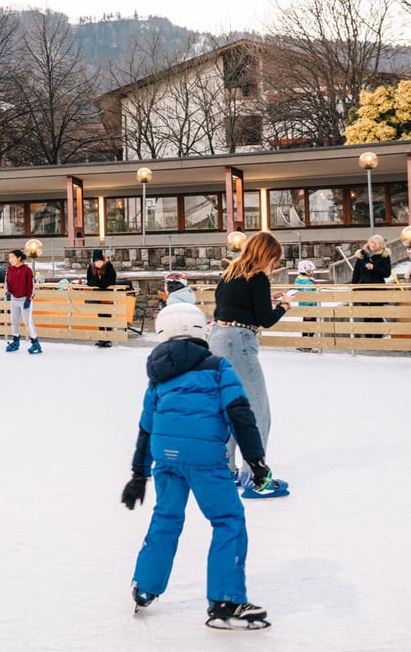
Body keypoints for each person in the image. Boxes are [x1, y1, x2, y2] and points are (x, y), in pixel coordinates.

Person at [119, 302, 272, 631]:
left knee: (166, 518)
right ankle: (225, 601)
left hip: (166, 457)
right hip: (204, 458)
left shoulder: (158, 377)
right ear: (201, 329)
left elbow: (146, 426)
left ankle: (144, 586)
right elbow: (240, 414)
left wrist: (138, 473)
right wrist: (256, 461)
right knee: (228, 519)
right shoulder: (218, 367)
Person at [210, 231, 290, 499]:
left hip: (218, 339)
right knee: (257, 411)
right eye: (274, 260)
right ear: (266, 255)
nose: (274, 266)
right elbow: (266, 320)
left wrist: (266, 299)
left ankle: (228, 469)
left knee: (230, 407)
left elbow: (235, 306)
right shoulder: (258, 278)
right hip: (240, 342)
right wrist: (284, 307)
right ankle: (256, 477)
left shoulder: (231, 273)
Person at [4, 249, 40, 354]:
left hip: (25, 299)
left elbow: (31, 286)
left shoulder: (27, 270)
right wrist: (8, 292)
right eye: (9, 258)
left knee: (28, 322)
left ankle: (35, 343)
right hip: (14, 299)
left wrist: (29, 299)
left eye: (12, 257)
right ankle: (16, 342)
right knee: (14, 321)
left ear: (19, 258)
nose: (10, 260)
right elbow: (7, 283)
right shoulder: (10, 269)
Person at [86, 249, 118, 347]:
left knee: (107, 315)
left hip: (107, 295)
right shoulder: (91, 268)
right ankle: (101, 337)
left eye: (100, 262)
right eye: (96, 262)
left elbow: (112, 279)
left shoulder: (108, 266)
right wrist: (95, 282)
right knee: (100, 315)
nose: (98, 264)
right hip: (98, 295)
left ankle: (108, 338)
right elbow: (89, 280)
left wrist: (103, 283)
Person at [292, 259, 319, 351]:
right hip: (310, 308)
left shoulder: (298, 280)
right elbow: (308, 297)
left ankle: (304, 344)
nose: (312, 272)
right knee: (311, 327)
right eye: (310, 271)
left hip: (304, 307)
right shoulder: (309, 283)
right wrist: (309, 310)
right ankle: (307, 345)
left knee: (306, 326)